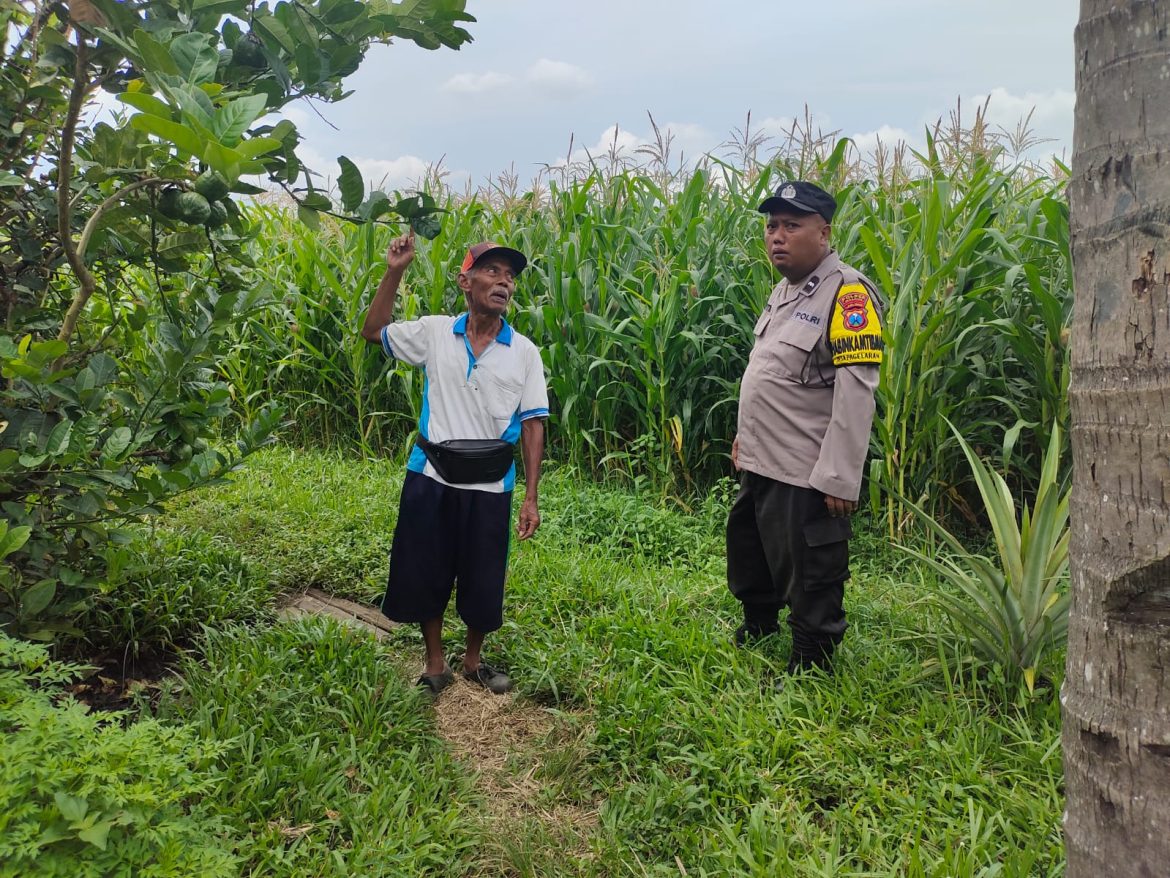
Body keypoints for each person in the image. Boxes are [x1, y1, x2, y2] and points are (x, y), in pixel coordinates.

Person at [360, 233, 549, 695]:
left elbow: (532, 425)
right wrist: (395, 270)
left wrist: (529, 497)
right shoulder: (434, 332)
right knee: (428, 567)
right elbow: (373, 331)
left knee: (483, 576)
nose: (503, 281)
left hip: (490, 483)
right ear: (466, 281)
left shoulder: (524, 352)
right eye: (492, 271)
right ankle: (434, 663)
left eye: (510, 276)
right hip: (432, 473)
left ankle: (473, 661)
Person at [726, 180, 884, 674]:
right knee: (751, 547)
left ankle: (812, 659)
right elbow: (769, 368)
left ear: (824, 232)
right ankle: (759, 624)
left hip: (805, 465)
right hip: (762, 457)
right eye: (771, 225)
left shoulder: (849, 295)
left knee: (812, 564)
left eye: (791, 225)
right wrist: (744, 438)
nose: (777, 235)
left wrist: (839, 476)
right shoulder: (785, 289)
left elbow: (856, 389)